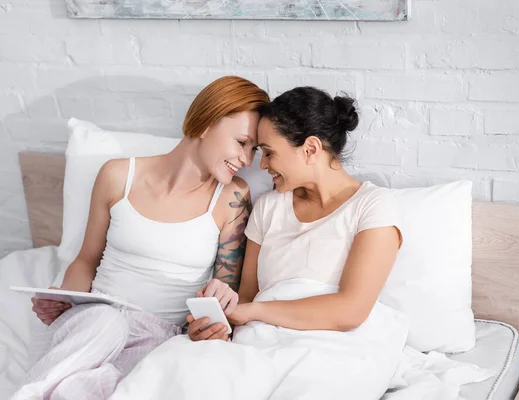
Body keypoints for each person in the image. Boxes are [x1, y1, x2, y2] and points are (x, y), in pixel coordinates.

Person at [111, 87, 407, 400]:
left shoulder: (373, 205)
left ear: (310, 149)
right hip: (261, 340)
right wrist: (218, 326)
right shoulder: (269, 207)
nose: (261, 165)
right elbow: (246, 299)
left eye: (268, 151)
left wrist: (252, 312)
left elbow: (351, 310)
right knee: (175, 367)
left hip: (335, 340)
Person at [11, 76, 270, 400]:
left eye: (254, 150)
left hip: (159, 335)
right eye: (241, 143)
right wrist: (64, 298)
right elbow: (85, 260)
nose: (247, 160)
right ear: (206, 122)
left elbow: (222, 292)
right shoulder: (117, 175)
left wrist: (210, 322)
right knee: (108, 324)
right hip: (95, 318)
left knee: (92, 387)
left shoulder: (232, 197)